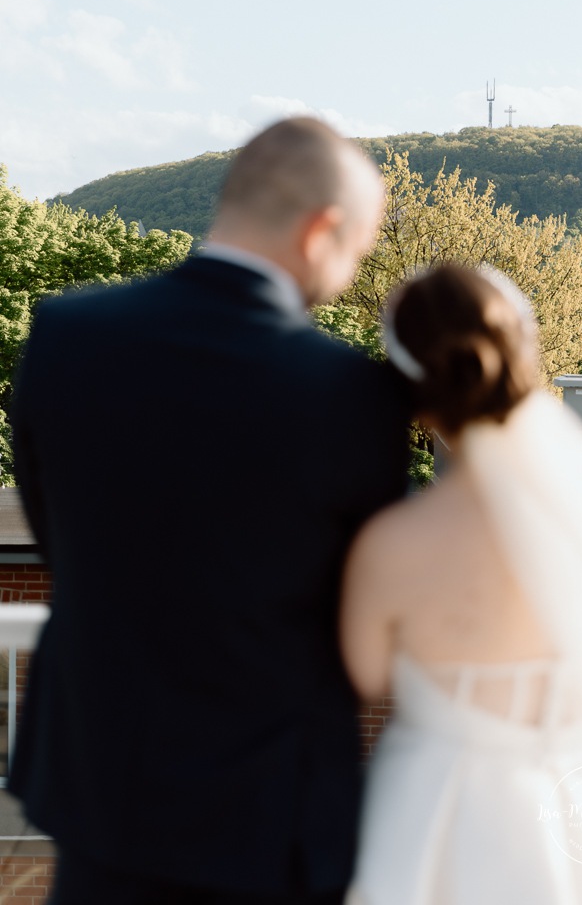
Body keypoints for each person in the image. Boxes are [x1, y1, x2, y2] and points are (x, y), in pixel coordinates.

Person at [10, 118, 411, 905]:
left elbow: (60, 541)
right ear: (324, 228)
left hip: (99, 783)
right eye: (360, 246)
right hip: (269, 808)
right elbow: (357, 613)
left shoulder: (65, 336)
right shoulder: (351, 394)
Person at [340, 263, 582, 905]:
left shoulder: (392, 545)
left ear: (408, 393)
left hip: (443, 829)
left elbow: (364, 677)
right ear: (525, 355)